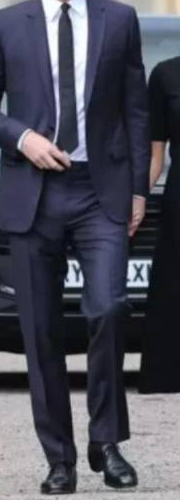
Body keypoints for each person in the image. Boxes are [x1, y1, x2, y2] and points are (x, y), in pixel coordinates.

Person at [0, 0, 149, 495]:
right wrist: (22, 138)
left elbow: (136, 108)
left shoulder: (119, 20)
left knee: (108, 309)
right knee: (40, 330)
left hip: (100, 190)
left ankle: (107, 442)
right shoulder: (5, 25)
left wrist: (138, 188)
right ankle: (59, 459)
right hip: (33, 191)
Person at [138, 57, 180, 393]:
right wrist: (137, 197)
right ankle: (167, 374)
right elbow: (155, 155)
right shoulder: (166, 75)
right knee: (172, 283)